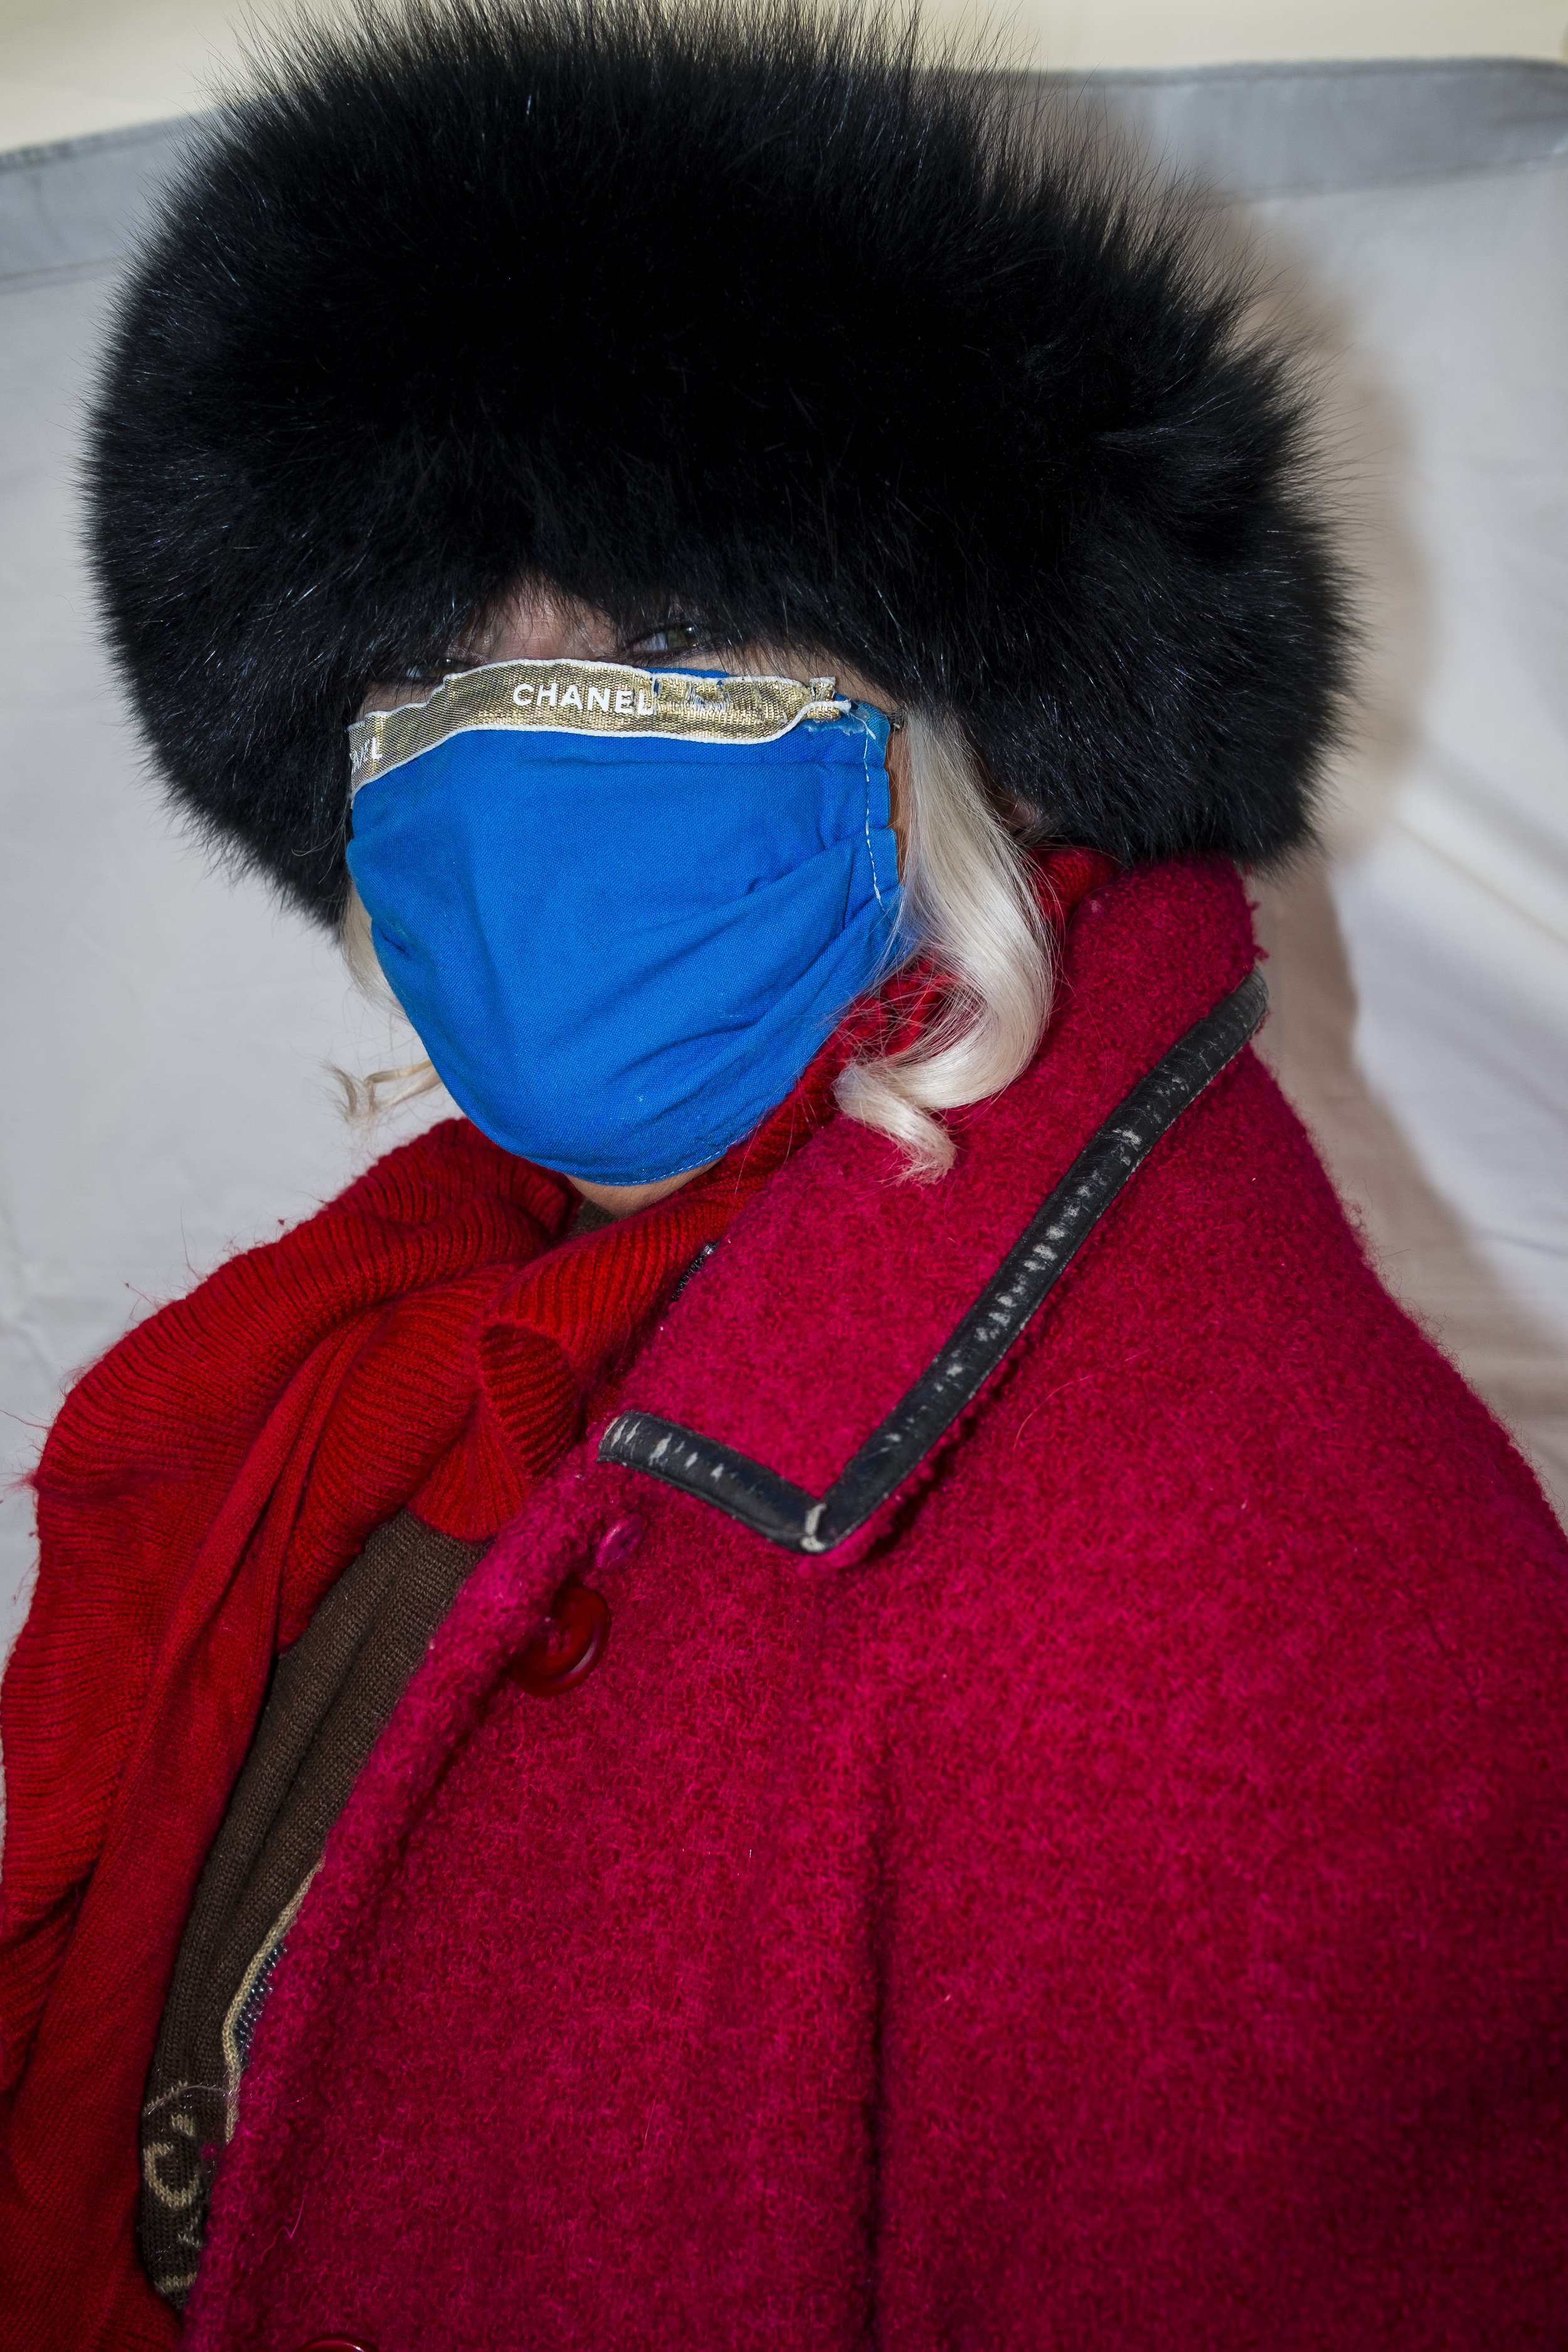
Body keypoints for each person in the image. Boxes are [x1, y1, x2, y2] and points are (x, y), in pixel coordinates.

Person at [4, 3, 1567, 2346]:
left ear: (945, 724)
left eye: (642, 634)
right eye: (440, 658)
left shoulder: (1282, 1589)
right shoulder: (364, 1374)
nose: (518, 747)